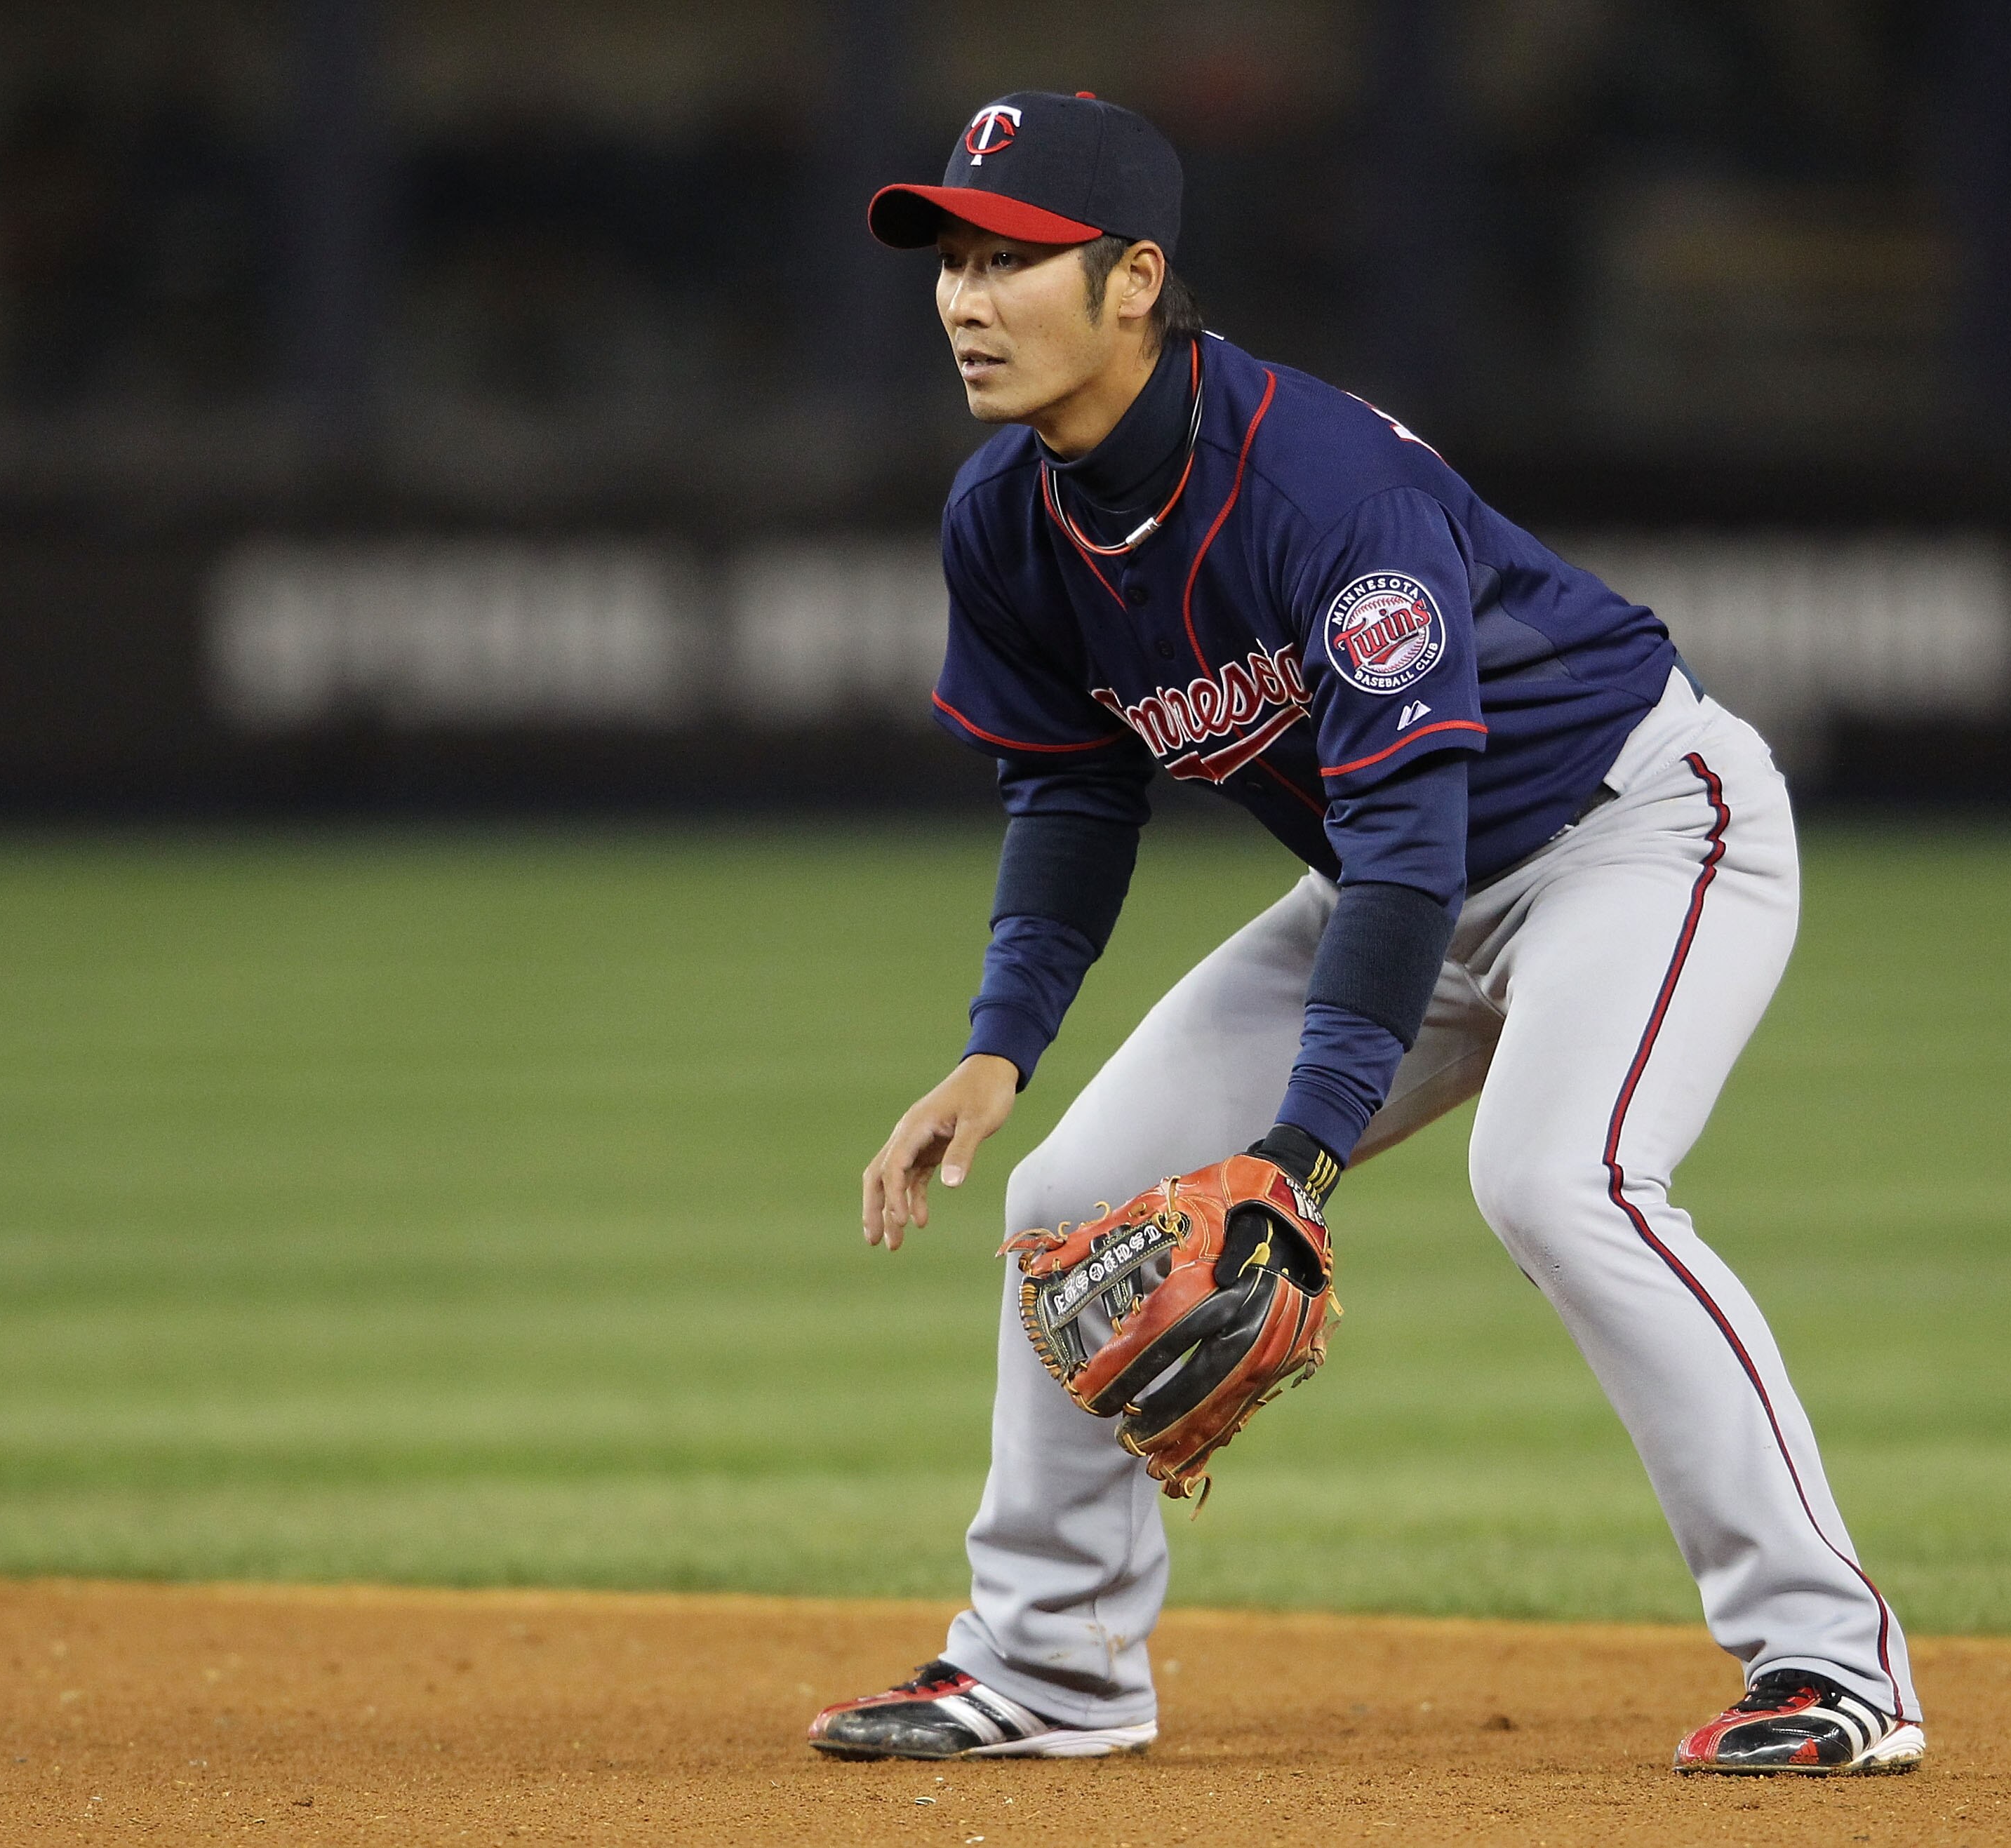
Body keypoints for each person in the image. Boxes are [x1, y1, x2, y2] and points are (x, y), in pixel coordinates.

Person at [810, 91, 1924, 1776]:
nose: (967, 299)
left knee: (1563, 1182)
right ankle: (1052, 1666)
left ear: (1133, 283)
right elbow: (1070, 798)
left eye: (1014, 260)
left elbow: (1411, 833)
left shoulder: (1318, 485)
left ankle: (1833, 1665)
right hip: (1396, 884)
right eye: (953, 260)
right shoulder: (1005, 519)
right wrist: (996, 1049)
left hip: (1632, 833)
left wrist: (1299, 1159)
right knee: (1064, 1201)